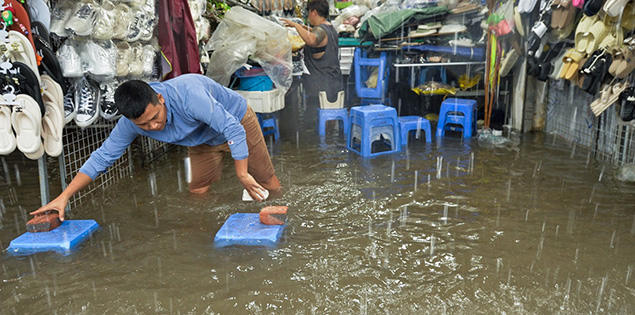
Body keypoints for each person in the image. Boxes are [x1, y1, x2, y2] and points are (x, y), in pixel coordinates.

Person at [31, 74, 280, 221]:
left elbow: (232, 129)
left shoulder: (189, 96)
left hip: (236, 121)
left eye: (155, 118)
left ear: (160, 98)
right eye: (144, 124)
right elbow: (102, 157)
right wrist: (63, 197)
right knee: (198, 189)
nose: (153, 126)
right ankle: (204, 228)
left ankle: (282, 212)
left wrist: (241, 173)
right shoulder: (130, 124)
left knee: (266, 180)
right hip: (200, 141)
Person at [282, 0, 343, 107]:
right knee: (329, 119)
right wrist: (304, 27)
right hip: (333, 82)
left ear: (314, 12)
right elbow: (315, 33)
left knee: (316, 120)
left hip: (322, 87)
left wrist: (296, 25)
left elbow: (312, 40)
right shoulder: (330, 29)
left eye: (309, 12)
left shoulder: (321, 31)